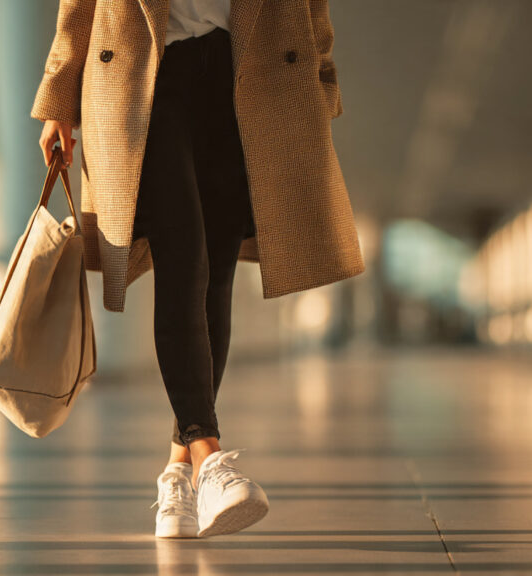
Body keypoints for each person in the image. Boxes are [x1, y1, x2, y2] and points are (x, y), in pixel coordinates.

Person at [32, 0, 364, 539]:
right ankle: (209, 458)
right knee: (182, 261)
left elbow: (312, 10)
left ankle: (176, 475)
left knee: (215, 279)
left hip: (248, 79)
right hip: (144, 74)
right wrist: (58, 100)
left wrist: (320, 88)